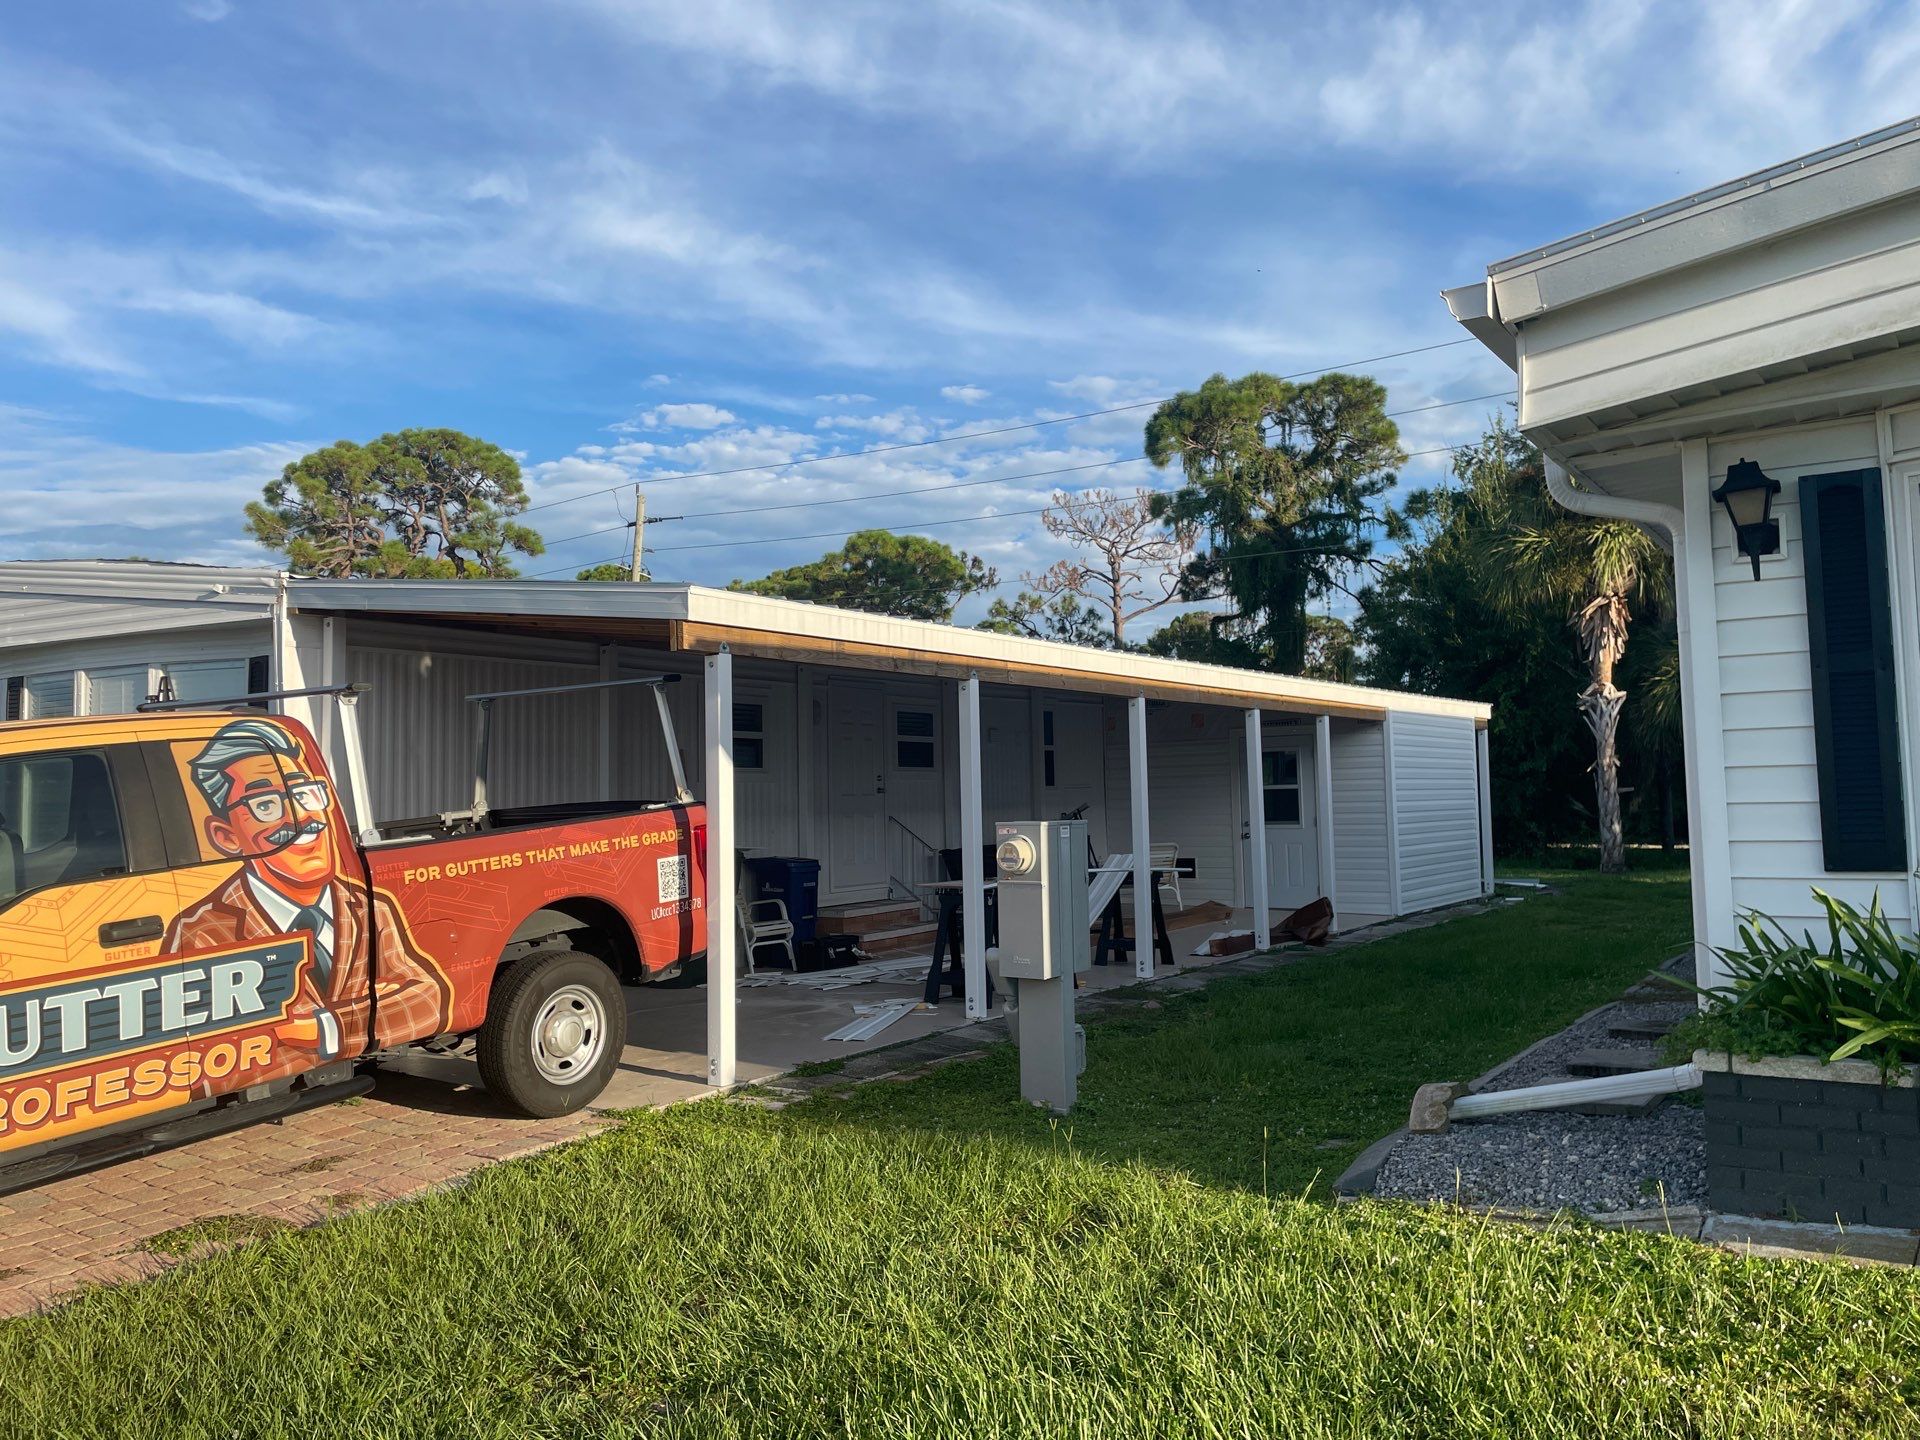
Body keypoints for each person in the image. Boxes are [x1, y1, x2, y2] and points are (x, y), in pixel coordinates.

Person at [164, 717, 451, 1085]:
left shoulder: (366, 907)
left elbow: (427, 997)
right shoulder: (204, 932)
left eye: (303, 795)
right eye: (265, 805)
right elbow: (209, 1061)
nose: (300, 819)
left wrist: (324, 1029)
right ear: (226, 836)